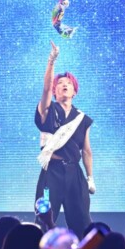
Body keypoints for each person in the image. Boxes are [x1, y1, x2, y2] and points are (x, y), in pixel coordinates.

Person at [34, 41, 95, 236]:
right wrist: (51, 61)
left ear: (74, 91)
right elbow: (45, 89)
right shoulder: (48, 109)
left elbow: (87, 151)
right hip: (51, 172)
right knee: (44, 218)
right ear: (55, 91)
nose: (64, 85)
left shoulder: (82, 119)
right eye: (60, 84)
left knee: (82, 221)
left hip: (75, 173)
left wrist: (90, 177)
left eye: (68, 83)